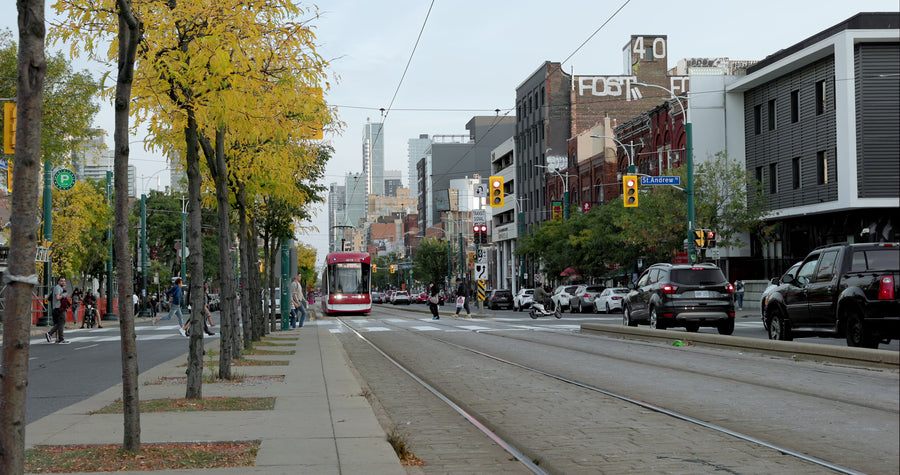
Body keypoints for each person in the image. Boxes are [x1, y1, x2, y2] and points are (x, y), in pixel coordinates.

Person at [45, 276, 71, 344]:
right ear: (58, 282)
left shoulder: (60, 288)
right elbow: (58, 297)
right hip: (59, 308)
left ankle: (59, 338)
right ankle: (50, 334)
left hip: (58, 308)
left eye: (64, 281)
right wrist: (64, 295)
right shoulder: (58, 288)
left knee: (58, 323)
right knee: (61, 323)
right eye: (61, 281)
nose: (63, 282)